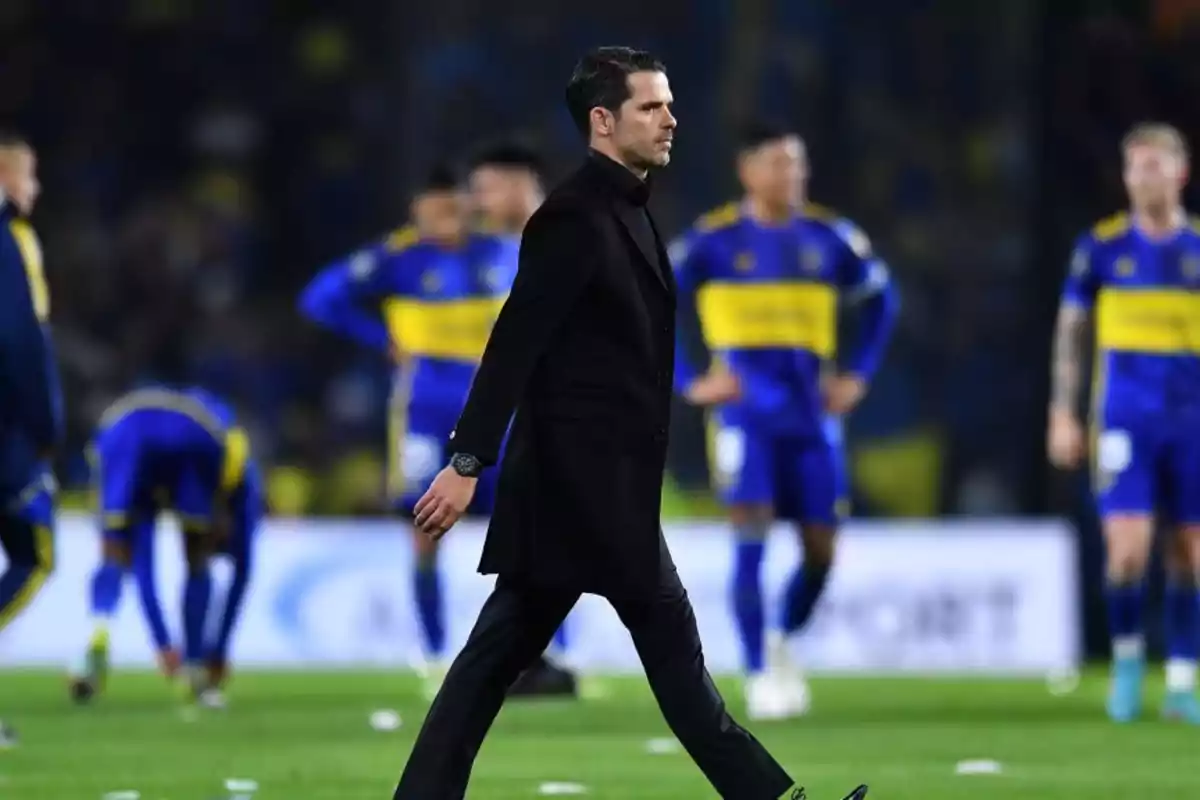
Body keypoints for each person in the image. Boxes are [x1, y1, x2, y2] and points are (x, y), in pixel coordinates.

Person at [395, 47, 868, 800]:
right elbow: (514, 343)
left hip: (607, 491)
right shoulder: (572, 219)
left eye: (669, 103)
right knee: (665, 671)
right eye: (651, 106)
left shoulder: (630, 211)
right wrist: (466, 462)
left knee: (516, 665)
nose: (670, 118)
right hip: (574, 495)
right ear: (603, 121)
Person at [672, 122, 898, 719]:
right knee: (750, 531)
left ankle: (780, 640)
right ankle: (755, 672)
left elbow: (881, 300)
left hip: (811, 413)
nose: (791, 175)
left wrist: (857, 374)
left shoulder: (831, 238)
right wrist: (689, 380)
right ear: (748, 171)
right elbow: (653, 299)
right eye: (778, 164)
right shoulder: (713, 241)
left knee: (821, 548)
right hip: (743, 414)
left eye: (797, 164)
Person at [299, 164, 519, 698]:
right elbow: (319, 298)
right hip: (424, 413)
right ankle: (436, 656)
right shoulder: (397, 258)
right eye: (433, 209)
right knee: (425, 532)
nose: (444, 219)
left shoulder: (498, 253)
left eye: (452, 207)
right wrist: (380, 338)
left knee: (525, 531)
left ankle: (537, 658)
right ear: (416, 211)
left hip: (497, 411)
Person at [1049, 122, 1200, 724]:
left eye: (1157, 165)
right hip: (1123, 422)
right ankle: (1130, 662)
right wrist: (1062, 412)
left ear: (1181, 173)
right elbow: (1071, 332)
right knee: (1127, 551)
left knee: (1189, 552)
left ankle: (1184, 677)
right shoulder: (1102, 249)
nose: (1146, 177)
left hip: (1191, 422)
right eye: (1136, 166)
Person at [465, 138, 577, 697]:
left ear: (517, 183)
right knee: (532, 537)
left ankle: (541, 657)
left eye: (486, 187)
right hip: (512, 418)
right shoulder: (478, 253)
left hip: (565, 415)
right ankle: (534, 660)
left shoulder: (569, 234)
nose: (477, 200)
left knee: (559, 536)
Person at [69, 386, 261, 708]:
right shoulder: (232, 446)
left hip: (124, 425)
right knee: (197, 559)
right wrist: (219, 651)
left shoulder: (174, 405)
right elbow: (243, 570)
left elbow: (145, 567)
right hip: (197, 435)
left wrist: (162, 642)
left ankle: (96, 634)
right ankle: (196, 665)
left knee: (117, 551)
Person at [0, 132, 62, 747]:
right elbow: (20, 340)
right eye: (29, 176)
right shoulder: (10, 238)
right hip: (7, 432)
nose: (34, 189)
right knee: (35, 553)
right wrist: (46, 427)